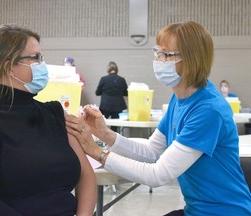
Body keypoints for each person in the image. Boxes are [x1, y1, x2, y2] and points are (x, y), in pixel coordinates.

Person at [65, 21, 251, 216]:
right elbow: (152, 151)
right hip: (196, 210)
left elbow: (158, 174)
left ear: (191, 60)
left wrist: (95, 151)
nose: (158, 60)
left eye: (166, 55)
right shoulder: (179, 98)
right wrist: (105, 134)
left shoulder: (208, 110)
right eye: (157, 53)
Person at [0, 24, 96, 216]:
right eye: (36, 58)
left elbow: (86, 175)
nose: (43, 65)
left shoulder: (54, 112)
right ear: (8, 66)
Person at [95, 61, 128, 132]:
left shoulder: (104, 79)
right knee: (115, 127)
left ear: (108, 69)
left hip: (105, 105)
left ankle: (103, 141)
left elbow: (97, 93)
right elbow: (126, 93)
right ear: (116, 69)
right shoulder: (121, 80)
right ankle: (115, 142)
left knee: (102, 124)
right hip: (118, 106)